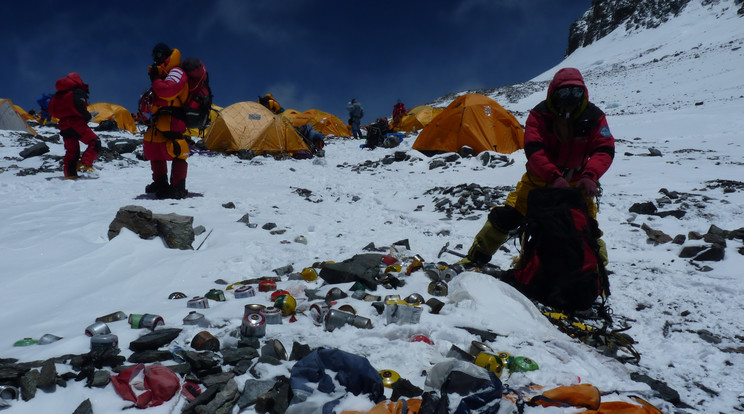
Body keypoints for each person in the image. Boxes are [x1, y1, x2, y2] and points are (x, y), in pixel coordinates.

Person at [459, 67, 615, 268]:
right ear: (554, 93)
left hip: (578, 181)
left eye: (576, 92)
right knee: (508, 216)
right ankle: (474, 260)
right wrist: (554, 176)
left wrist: (590, 175)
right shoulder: (540, 115)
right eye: (564, 92)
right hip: (540, 179)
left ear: (583, 92)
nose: (571, 98)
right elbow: (534, 150)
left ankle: (595, 273)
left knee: (587, 227)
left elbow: (604, 148)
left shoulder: (593, 116)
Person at [143, 43, 190, 199]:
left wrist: (156, 79)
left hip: (173, 118)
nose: (156, 58)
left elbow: (168, 91)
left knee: (176, 149)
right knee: (153, 149)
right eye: (154, 55)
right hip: (158, 120)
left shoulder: (177, 71)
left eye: (159, 54)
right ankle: (160, 182)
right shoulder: (163, 75)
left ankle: (178, 187)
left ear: (167, 55)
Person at [48, 73, 101, 179]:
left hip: (64, 126)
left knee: (72, 151)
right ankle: (86, 164)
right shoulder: (77, 92)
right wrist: (88, 117)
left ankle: (70, 174)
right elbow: (79, 108)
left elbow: (51, 111)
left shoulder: (58, 95)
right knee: (95, 142)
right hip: (76, 123)